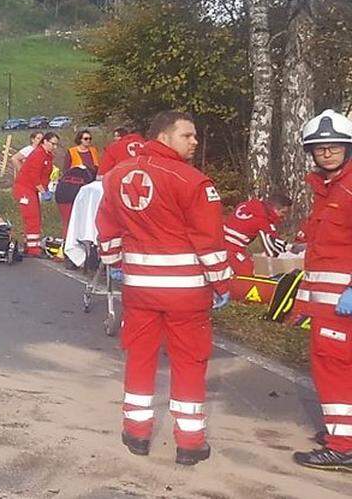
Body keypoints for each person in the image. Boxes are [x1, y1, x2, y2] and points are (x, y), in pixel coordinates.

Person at [96, 110, 229, 466]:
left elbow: (106, 228)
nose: (195, 142)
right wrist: (221, 282)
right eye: (188, 135)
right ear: (164, 137)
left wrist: (114, 264)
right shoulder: (193, 181)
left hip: (139, 289)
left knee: (139, 358)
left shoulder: (115, 176)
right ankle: (190, 443)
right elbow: (210, 241)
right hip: (186, 292)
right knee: (189, 362)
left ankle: (136, 433)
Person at [291, 109, 352, 471]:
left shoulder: (348, 188)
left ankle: (343, 444)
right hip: (329, 303)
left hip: (342, 304)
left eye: (334, 147)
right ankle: (341, 431)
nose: (327, 153)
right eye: (319, 149)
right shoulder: (328, 189)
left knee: (334, 368)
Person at [223, 193, 291, 278]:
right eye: (283, 212)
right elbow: (273, 246)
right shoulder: (263, 220)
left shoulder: (246, 205)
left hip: (218, 245)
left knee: (251, 261)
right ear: (275, 209)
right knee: (257, 272)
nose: (284, 217)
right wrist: (293, 249)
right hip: (232, 252)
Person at [13, 132, 59, 256]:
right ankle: (33, 249)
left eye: (56, 145)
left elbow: (45, 175)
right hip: (25, 189)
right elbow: (34, 176)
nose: (54, 147)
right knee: (32, 217)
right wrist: (43, 191)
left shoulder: (47, 155)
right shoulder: (38, 154)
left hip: (32, 189)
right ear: (45, 142)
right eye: (52, 144)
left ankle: (31, 246)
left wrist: (45, 188)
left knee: (35, 216)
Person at [55, 130, 101, 237]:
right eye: (86, 139)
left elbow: (97, 166)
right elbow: (66, 169)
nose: (88, 141)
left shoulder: (93, 151)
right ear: (80, 139)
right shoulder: (72, 151)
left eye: (90, 139)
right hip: (74, 184)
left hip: (90, 183)